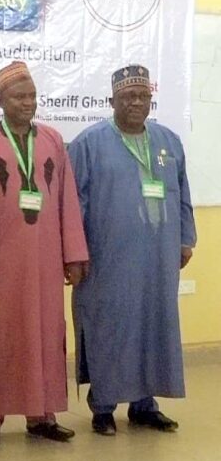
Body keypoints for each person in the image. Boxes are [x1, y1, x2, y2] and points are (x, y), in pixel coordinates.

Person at [0, 61, 89, 447]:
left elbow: (68, 200)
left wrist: (74, 254)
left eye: (32, 96)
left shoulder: (51, 139)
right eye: (19, 96)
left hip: (46, 260)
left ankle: (42, 415)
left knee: (46, 334)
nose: (28, 103)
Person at [68, 65, 197, 436]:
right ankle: (104, 407)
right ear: (112, 101)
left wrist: (185, 238)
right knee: (108, 327)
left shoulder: (168, 142)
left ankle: (145, 405)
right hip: (107, 258)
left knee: (152, 327)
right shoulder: (88, 144)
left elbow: (182, 193)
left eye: (142, 96)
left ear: (151, 100)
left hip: (157, 258)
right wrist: (76, 253)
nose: (136, 103)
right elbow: (73, 206)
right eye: (128, 97)